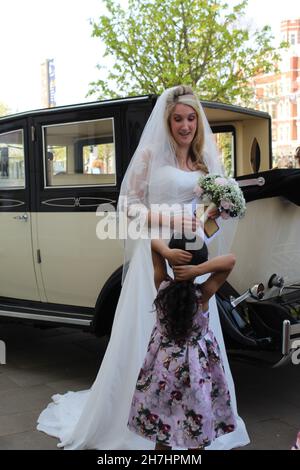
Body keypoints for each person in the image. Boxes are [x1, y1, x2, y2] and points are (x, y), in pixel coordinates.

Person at [37, 85, 249, 450]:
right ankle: (146, 422)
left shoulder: (203, 164)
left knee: (195, 338)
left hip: (195, 253)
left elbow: (214, 213)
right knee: (153, 336)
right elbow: (128, 205)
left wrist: (214, 216)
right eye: (178, 119)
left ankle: (196, 420)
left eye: (191, 118)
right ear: (167, 122)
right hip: (156, 251)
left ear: (198, 121)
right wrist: (169, 219)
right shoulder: (151, 155)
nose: (185, 126)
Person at [128, 235, 237, 449]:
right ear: (201, 262)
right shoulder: (203, 294)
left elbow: (153, 242)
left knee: (162, 427)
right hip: (197, 371)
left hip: (164, 367)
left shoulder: (162, 285)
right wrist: (197, 270)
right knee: (196, 422)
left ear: (170, 263)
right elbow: (230, 260)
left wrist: (168, 254)